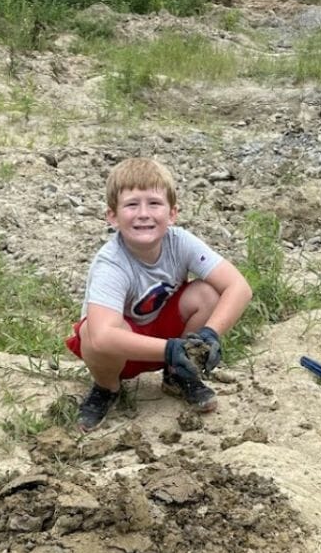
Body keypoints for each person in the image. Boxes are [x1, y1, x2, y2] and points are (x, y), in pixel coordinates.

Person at [65, 157, 253, 432]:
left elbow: (239, 287)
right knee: (92, 332)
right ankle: (106, 389)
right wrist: (171, 349)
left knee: (207, 293)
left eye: (154, 203)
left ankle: (178, 375)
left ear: (172, 213)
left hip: (168, 341)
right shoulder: (111, 262)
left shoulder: (181, 241)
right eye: (131, 205)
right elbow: (105, 335)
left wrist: (210, 334)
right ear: (112, 217)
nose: (143, 213)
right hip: (120, 354)